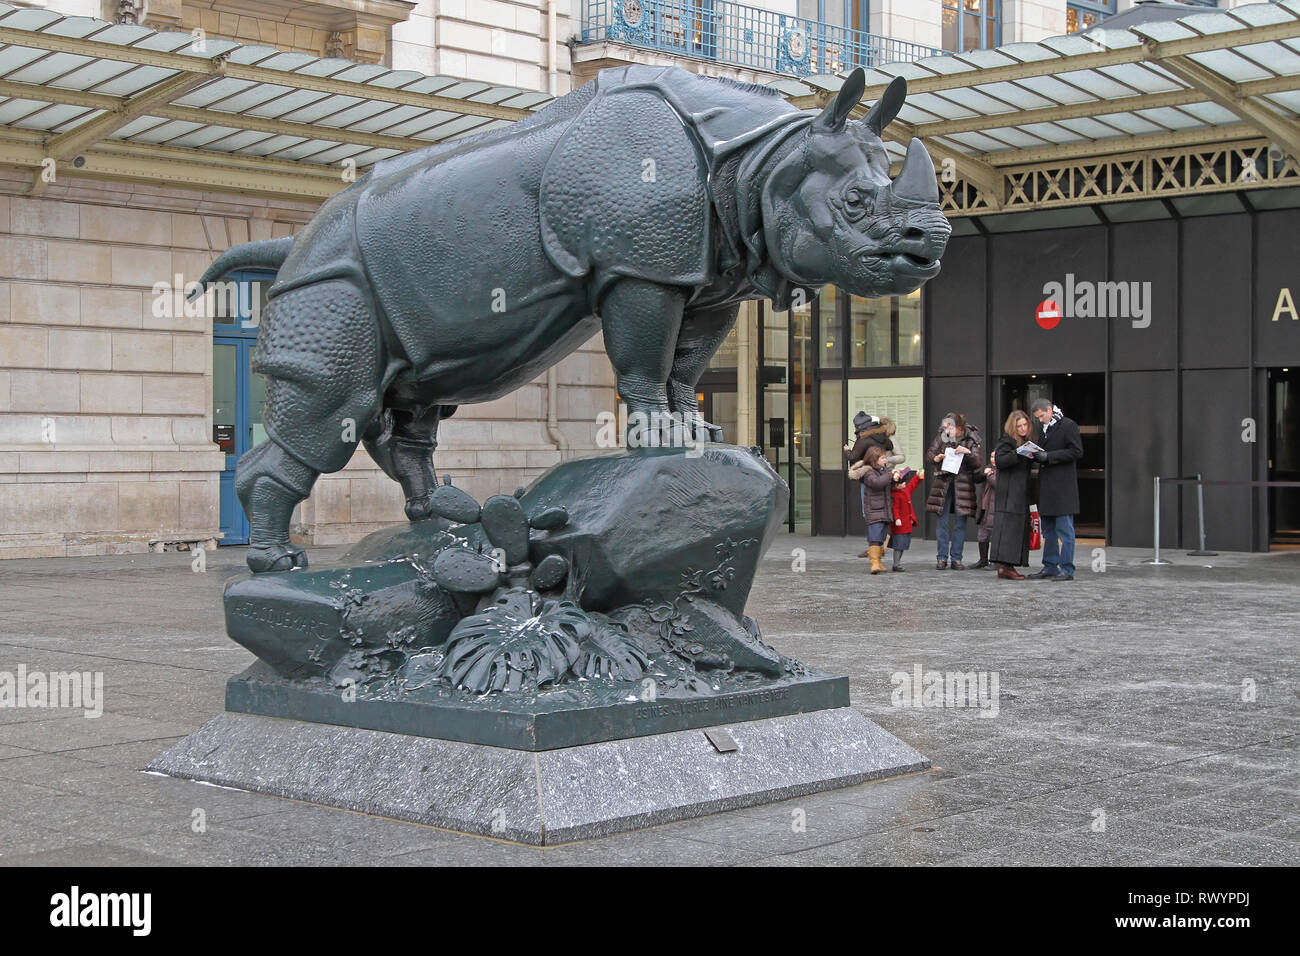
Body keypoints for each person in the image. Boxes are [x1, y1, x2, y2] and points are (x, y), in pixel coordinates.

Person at [1026, 399, 1083, 582]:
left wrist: (1049, 456)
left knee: (1065, 531)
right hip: (1048, 488)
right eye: (1038, 417)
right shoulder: (1045, 429)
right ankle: (1050, 566)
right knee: (1048, 531)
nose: (1040, 420)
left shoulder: (1068, 425)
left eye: (1042, 416)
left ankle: (1067, 569)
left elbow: (1076, 451)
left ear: (1049, 410)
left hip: (1063, 489)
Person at [925, 411, 982, 570]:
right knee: (942, 521)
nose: (947, 431)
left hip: (962, 483)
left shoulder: (972, 437)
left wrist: (967, 452)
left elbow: (977, 462)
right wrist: (936, 458)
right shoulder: (942, 436)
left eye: (950, 428)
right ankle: (941, 558)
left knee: (960, 522)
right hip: (944, 481)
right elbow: (930, 453)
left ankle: (956, 558)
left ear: (959, 427)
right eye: (945, 428)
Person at [989, 410, 1037, 580]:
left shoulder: (1026, 441)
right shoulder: (1006, 441)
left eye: (1025, 425)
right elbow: (1000, 461)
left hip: (1020, 492)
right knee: (1009, 528)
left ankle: (1008, 566)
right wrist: (1019, 452)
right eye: (1019, 426)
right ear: (1013, 427)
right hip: (1009, 493)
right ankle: (1005, 566)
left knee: (1016, 527)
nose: (1023, 428)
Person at [845, 412, 894, 558]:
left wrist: (847, 451)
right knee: (882, 511)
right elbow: (890, 445)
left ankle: (874, 547)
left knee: (869, 513)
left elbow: (853, 456)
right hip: (883, 476)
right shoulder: (882, 437)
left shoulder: (864, 439)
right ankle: (880, 545)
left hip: (868, 476)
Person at [852, 445, 894, 574]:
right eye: (883, 458)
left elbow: (886, 482)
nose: (885, 460)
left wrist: (898, 476)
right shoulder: (868, 472)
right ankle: (874, 562)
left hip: (884, 508)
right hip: (874, 509)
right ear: (874, 459)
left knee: (881, 536)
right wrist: (890, 475)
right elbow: (876, 483)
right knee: (874, 536)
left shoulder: (883, 470)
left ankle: (879, 561)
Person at [888, 466, 922, 571]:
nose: (904, 484)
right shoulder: (895, 495)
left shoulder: (905, 491)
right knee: (899, 545)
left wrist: (918, 477)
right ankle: (896, 564)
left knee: (902, 545)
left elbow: (912, 485)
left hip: (906, 523)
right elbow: (895, 508)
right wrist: (897, 518)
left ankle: (897, 563)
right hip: (900, 525)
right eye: (902, 483)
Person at [972, 458, 996, 569]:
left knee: (995, 534)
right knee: (982, 534)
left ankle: (995, 561)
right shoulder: (988, 468)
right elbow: (976, 478)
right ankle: (983, 560)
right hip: (984, 507)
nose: (993, 459)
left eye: (995, 456)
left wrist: (989, 475)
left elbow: (996, 483)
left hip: (995, 508)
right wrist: (984, 473)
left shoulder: (1003, 470)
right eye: (991, 457)